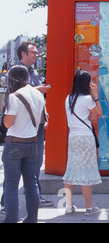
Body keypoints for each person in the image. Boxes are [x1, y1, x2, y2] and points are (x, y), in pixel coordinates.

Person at [2, 65, 45, 223]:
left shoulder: (14, 96)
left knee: (11, 185)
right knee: (31, 183)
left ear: (13, 78)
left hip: (14, 144)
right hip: (32, 142)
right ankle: (31, 219)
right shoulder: (38, 94)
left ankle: (11, 220)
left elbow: (8, 123)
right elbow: (40, 121)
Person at [16, 41, 52, 207]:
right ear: (23, 54)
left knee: (36, 161)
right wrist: (40, 89)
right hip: (23, 125)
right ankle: (5, 203)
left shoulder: (34, 72)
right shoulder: (17, 71)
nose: (37, 55)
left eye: (37, 52)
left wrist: (44, 115)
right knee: (17, 164)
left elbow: (39, 98)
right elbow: (17, 93)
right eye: (33, 52)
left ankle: (36, 197)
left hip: (37, 124)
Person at [63, 70, 102, 216]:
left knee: (71, 170)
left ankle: (68, 205)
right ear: (87, 83)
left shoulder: (69, 98)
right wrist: (95, 96)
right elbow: (99, 112)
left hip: (73, 137)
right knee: (86, 172)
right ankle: (89, 207)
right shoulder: (87, 99)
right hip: (86, 137)